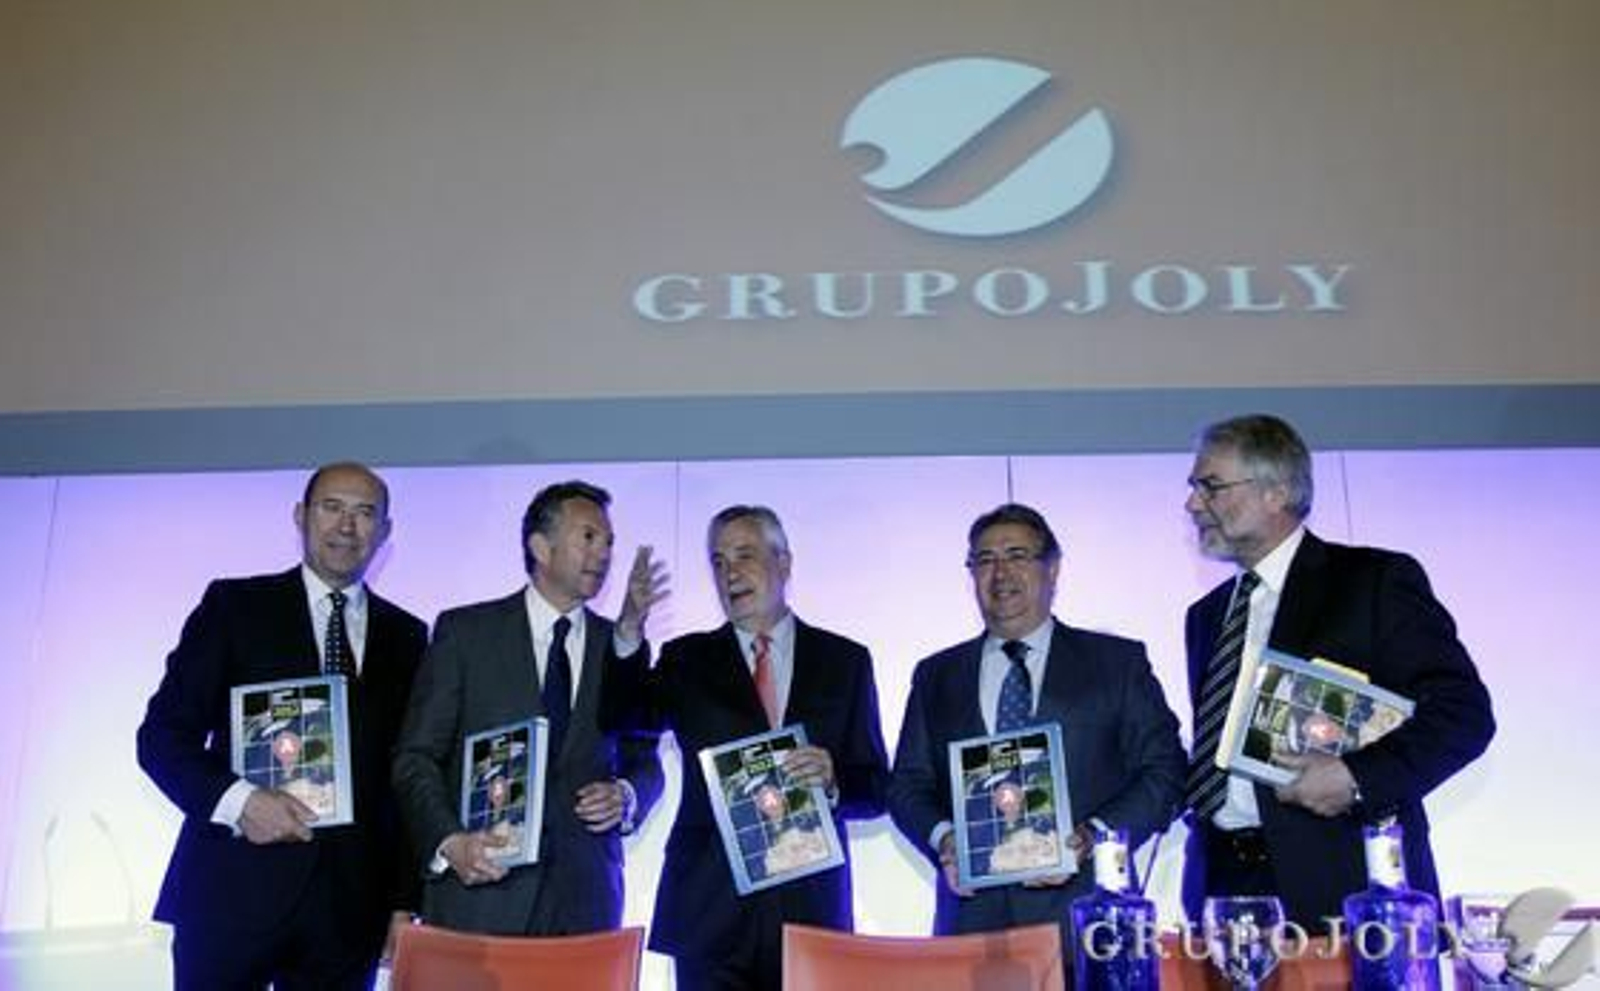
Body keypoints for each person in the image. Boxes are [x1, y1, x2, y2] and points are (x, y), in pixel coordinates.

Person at [1179, 413, 1495, 931]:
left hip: (1344, 886)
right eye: (1194, 488)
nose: (1193, 504)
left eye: (1209, 486)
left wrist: (1355, 778)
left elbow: (1463, 716)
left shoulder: (1372, 581)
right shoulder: (1206, 616)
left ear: (1276, 492)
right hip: (1225, 894)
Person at [136, 462, 428, 990]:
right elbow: (162, 739)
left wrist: (404, 900)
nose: (347, 526)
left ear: (384, 532)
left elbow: (407, 776)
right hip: (231, 891)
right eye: (332, 508)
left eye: (365, 514)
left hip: (349, 911)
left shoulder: (408, 637)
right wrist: (242, 803)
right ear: (300, 516)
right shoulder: (235, 607)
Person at [888, 503, 1186, 951]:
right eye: (984, 560)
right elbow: (907, 786)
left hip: (1088, 925)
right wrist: (946, 839)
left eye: (1017, 555)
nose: (1000, 572)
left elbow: (1167, 773)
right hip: (972, 927)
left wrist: (1090, 838)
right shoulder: (936, 676)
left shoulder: (1116, 664)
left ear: (1053, 569)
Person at [624, 505, 890, 991]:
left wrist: (834, 780)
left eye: (744, 555)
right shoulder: (686, 658)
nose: (730, 572)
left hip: (811, 911)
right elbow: (626, 718)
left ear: (784, 563)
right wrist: (628, 632)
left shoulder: (845, 660)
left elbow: (875, 786)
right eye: (718, 561)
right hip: (709, 911)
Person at [390, 480, 665, 935]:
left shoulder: (619, 645)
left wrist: (627, 795)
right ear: (541, 546)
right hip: (479, 896)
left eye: (610, 542)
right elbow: (415, 758)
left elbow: (645, 759)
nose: (603, 554)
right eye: (589, 538)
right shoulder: (465, 634)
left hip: (585, 903)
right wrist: (449, 842)